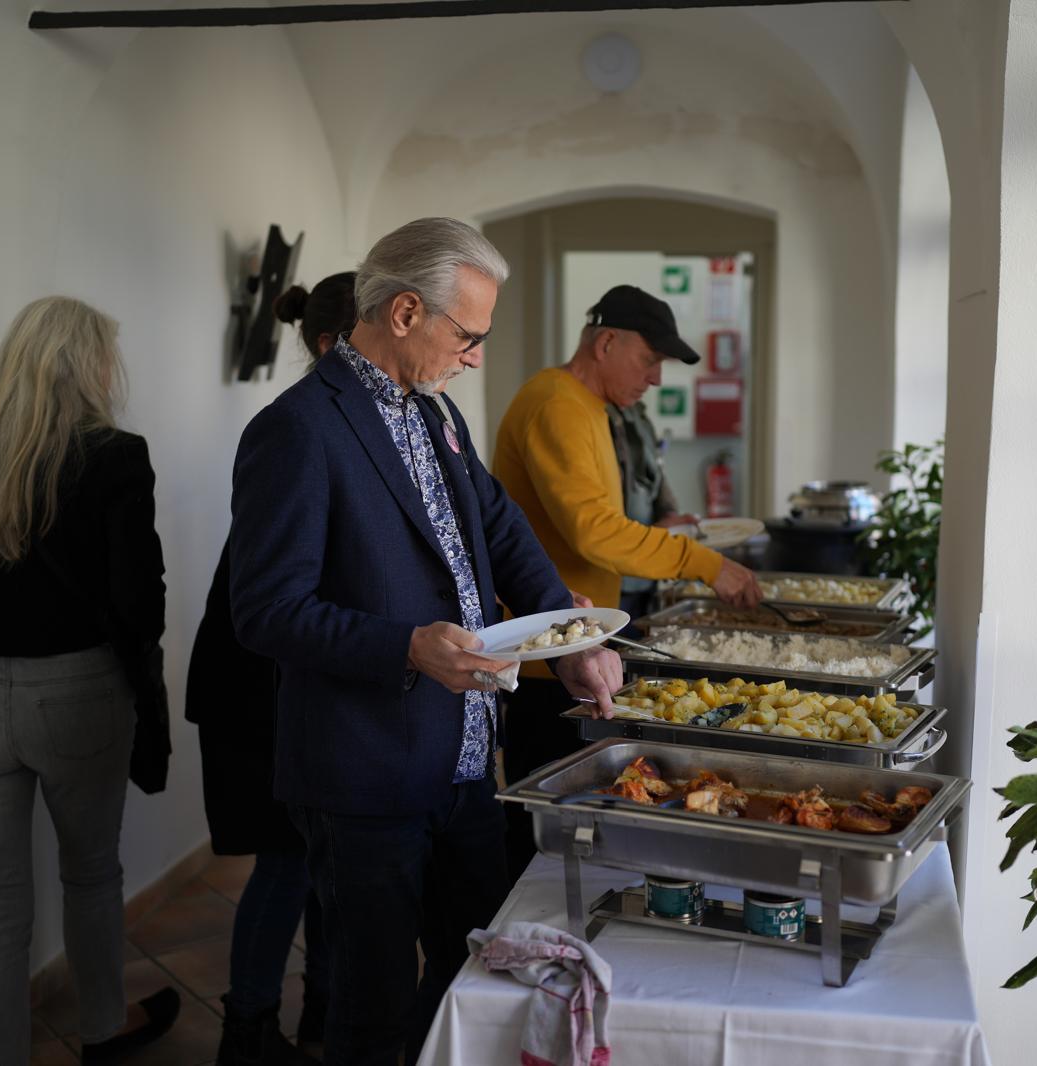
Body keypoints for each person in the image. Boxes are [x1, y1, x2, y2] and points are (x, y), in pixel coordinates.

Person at [228, 217, 623, 1066]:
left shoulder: (435, 411)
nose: (476, 355)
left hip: (468, 759)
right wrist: (407, 646)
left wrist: (572, 637)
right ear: (406, 313)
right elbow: (264, 611)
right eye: (468, 334)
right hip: (364, 770)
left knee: (475, 975)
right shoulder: (298, 429)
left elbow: (504, 531)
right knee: (370, 1011)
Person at [0, 296, 179, 1065]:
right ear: (88, 363)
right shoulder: (114, 454)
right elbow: (141, 599)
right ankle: (102, 1028)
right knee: (92, 873)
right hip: (75, 690)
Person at [492, 284, 762, 871]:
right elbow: (596, 533)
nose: (656, 378)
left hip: (577, 641)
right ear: (606, 342)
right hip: (547, 655)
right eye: (649, 360)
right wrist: (704, 562)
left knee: (574, 820)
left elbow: (596, 524)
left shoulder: (591, 408)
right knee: (542, 829)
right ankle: (520, 937)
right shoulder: (555, 403)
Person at [186, 273, 357, 1065]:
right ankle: (248, 1029)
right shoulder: (297, 430)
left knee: (318, 861)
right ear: (332, 347)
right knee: (286, 863)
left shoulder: (345, 424)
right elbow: (274, 603)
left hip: (287, 684)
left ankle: (320, 1009)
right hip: (257, 689)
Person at [607, 399, 698, 624]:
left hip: (646, 574)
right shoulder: (594, 415)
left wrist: (669, 514)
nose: (655, 378)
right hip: (612, 576)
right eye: (649, 363)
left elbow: (655, 472)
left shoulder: (638, 414)